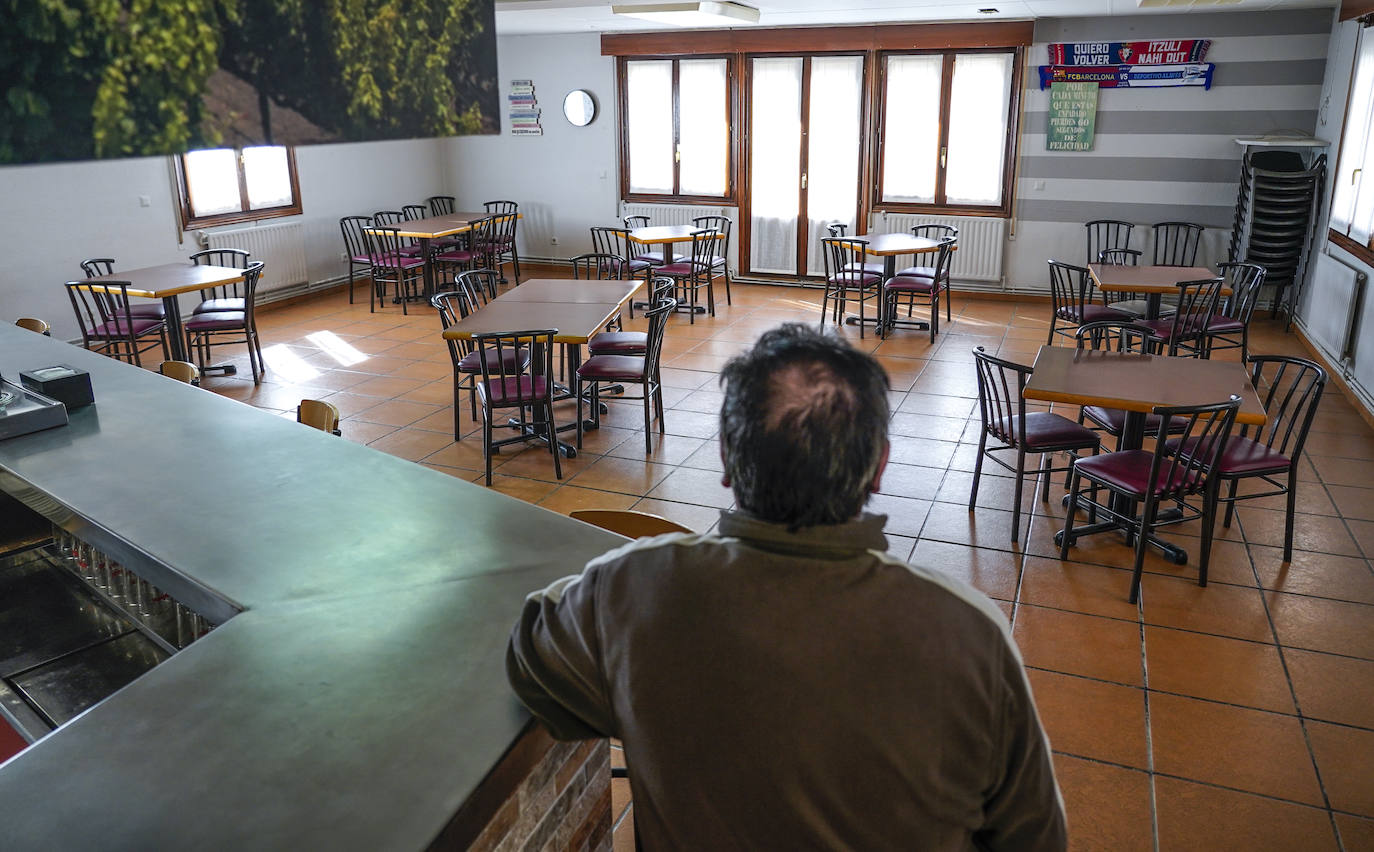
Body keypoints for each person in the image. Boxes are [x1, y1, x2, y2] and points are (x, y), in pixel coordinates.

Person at [507, 323, 1066, 850]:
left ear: (727, 458)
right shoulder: (969, 633)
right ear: (879, 468)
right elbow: (1034, 836)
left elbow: (530, 656)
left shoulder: (632, 586)